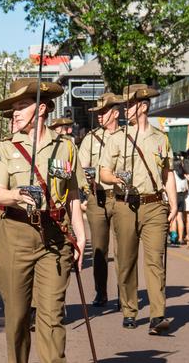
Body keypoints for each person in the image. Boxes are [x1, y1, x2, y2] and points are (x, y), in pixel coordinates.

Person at [0, 78, 86, 362]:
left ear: (41, 109)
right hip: (15, 236)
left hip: (54, 238)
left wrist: (80, 236)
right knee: (17, 319)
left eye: (21, 106)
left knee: (52, 317)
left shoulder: (66, 147)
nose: (15, 113)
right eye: (13, 108)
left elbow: (73, 195)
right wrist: (17, 194)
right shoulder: (5, 148)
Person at [99, 83, 176, 335]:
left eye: (130, 105)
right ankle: (130, 309)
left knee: (156, 262)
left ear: (142, 106)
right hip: (125, 205)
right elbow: (103, 172)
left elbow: (167, 174)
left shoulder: (160, 138)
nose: (125, 110)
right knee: (126, 261)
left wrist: (173, 203)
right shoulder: (116, 138)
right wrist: (115, 180)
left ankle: (157, 315)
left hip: (154, 205)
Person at [77, 92, 125, 307]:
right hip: (97, 196)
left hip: (122, 197)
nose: (99, 116)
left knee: (123, 249)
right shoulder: (90, 138)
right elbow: (80, 167)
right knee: (99, 249)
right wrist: (87, 178)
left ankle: (124, 295)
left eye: (103, 112)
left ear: (115, 113)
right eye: (98, 113)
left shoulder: (127, 137)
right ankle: (101, 292)